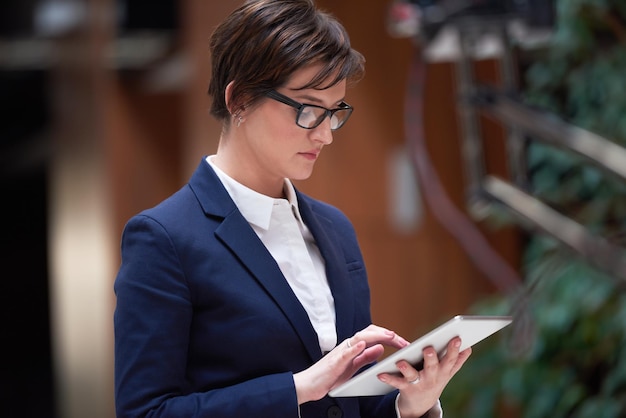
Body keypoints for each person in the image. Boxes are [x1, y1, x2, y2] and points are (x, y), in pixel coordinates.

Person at [113, 0, 471, 417]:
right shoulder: (165, 238)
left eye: (334, 112)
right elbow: (146, 412)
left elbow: (351, 403)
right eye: (307, 110)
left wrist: (410, 405)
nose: (325, 135)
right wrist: (299, 388)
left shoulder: (335, 229)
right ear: (239, 99)